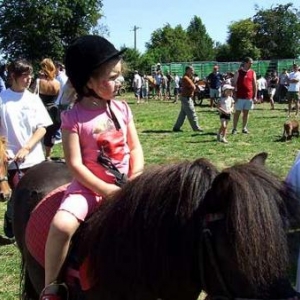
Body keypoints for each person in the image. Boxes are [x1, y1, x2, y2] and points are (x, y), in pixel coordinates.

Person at [41, 35, 144, 299]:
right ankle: (52, 285)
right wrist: (107, 191)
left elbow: (134, 147)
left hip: (127, 184)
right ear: (88, 81)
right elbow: (75, 165)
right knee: (62, 225)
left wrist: (136, 177)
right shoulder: (72, 118)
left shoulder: (122, 109)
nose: (120, 81)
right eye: (112, 77)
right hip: (88, 189)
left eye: (120, 75)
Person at [0, 59, 52, 239]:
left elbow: (42, 127)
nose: (29, 78)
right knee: (18, 198)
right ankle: (11, 216)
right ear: (13, 76)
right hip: (12, 160)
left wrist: (27, 148)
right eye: (25, 75)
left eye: (30, 75)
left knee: (36, 197)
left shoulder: (33, 99)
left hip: (34, 158)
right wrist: (3, 151)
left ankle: (33, 232)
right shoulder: (2, 99)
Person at [33, 58, 61, 159]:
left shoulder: (39, 81)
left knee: (39, 131)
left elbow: (33, 94)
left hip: (41, 108)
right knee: (51, 133)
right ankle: (48, 155)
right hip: (53, 109)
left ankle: (38, 153)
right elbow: (57, 97)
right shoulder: (57, 83)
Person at [172, 65, 203, 132]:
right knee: (192, 112)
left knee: (182, 114)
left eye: (193, 70)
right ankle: (196, 128)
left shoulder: (189, 77)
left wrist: (194, 81)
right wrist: (195, 84)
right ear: (187, 71)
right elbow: (193, 87)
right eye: (191, 70)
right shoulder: (186, 78)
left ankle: (176, 128)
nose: (193, 71)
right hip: (186, 98)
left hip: (187, 97)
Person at [231, 57, 257, 134]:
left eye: (251, 63)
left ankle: (244, 128)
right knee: (237, 113)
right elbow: (233, 84)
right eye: (249, 63)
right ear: (245, 63)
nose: (251, 65)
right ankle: (234, 129)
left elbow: (255, 85)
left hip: (249, 96)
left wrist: (255, 96)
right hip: (239, 97)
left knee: (246, 113)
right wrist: (234, 95)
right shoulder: (238, 72)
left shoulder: (252, 72)